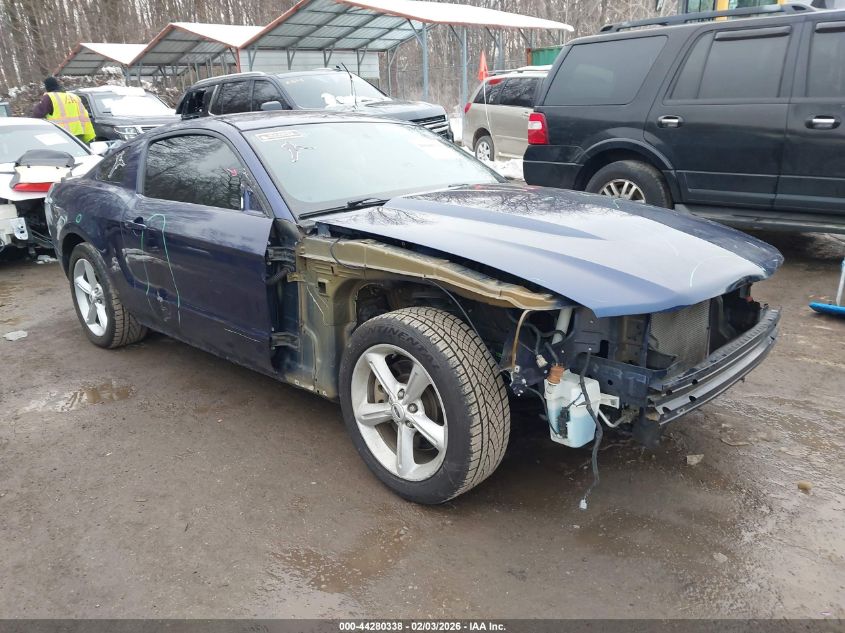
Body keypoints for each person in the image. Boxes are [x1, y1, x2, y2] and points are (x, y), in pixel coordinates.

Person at [31, 77, 95, 143]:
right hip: (79, 133)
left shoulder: (49, 97)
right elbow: (84, 114)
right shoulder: (73, 96)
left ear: (47, 87)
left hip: (61, 134)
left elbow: (37, 114)